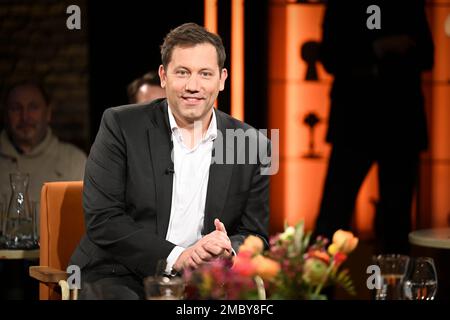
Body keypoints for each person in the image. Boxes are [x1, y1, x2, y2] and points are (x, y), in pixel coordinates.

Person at [70, 22, 270, 299]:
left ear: (222, 79)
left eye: (205, 74)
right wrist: (178, 256)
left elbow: (256, 235)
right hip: (118, 272)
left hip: (205, 281)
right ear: (164, 76)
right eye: (182, 73)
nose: (193, 86)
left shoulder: (252, 144)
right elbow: (104, 219)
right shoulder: (121, 125)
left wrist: (227, 248)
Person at [314, 0, 434, 254]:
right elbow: (330, 56)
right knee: (333, 215)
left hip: (401, 121)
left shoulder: (407, 5)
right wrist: (378, 48)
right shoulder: (344, 6)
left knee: (397, 220)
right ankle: (315, 289)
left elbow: (427, 54)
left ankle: (394, 288)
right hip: (355, 121)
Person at [0, 80, 87, 205]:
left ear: (48, 113)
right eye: (16, 108)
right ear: (5, 115)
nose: (25, 117)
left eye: (33, 107)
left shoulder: (74, 162)